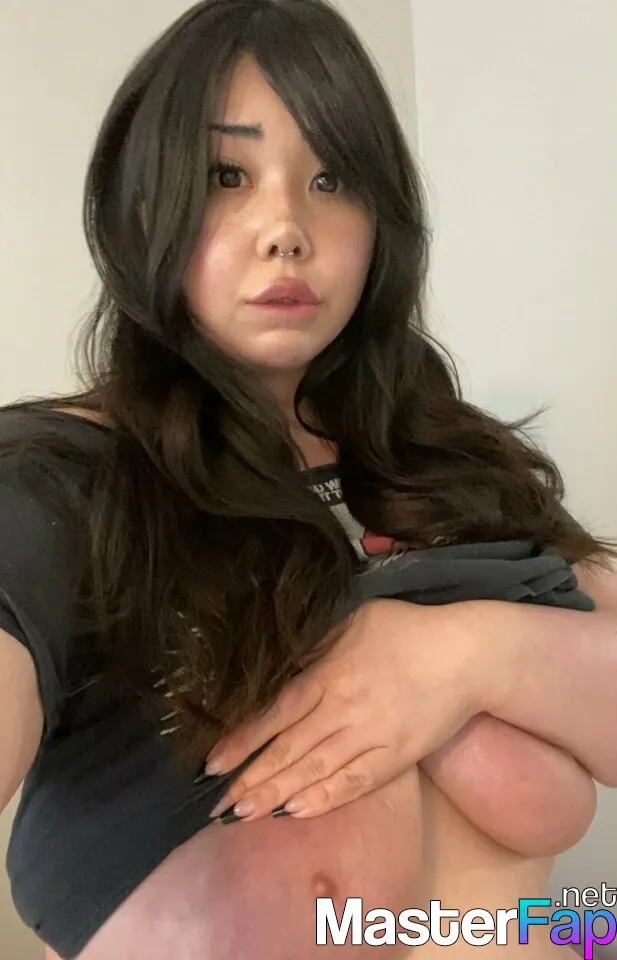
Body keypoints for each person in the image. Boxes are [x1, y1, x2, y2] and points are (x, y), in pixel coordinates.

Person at [1, 1, 616, 958]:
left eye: (331, 178)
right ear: (142, 204)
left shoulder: (451, 460)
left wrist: (470, 655)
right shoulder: (62, 481)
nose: (286, 228)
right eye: (226, 175)